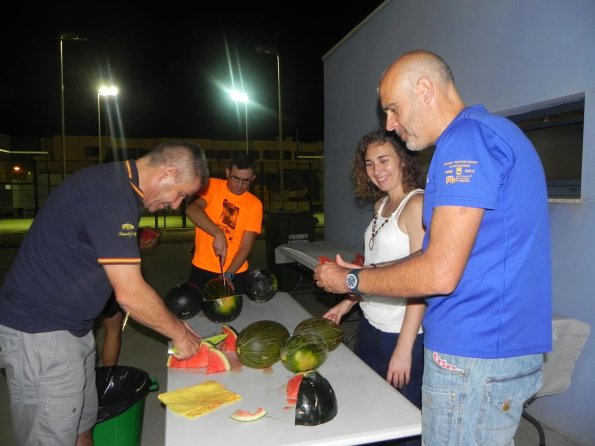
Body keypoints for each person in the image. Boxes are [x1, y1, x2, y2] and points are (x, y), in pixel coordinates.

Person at [313, 50, 552, 445]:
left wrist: (351, 278)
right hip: (491, 349)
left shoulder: (465, 140)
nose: (390, 124)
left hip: (474, 352)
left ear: (424, 89)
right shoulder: (491, 132)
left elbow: (438, 270)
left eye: (393, 109)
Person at [0, 141, 209, 446]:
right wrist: (179, 333)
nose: (177, 205)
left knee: (83, 428)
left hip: (73, 331)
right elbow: (130, 293)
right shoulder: (111, 193)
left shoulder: (116, 188)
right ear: (168, 172)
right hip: (41, 334)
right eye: (181, 194)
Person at [323, 129, 425, 416]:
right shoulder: (380, 205)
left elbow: (420, 280)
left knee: (402, 417)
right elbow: (373, 269)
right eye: (369, 163)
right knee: (370, 408)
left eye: (384, 160)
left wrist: (404, 350)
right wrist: (346, 303)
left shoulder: (416, 205)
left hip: (401, 332)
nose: (376, 171)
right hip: (370, 325)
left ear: (403, 159)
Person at [186, 152, 263, 294]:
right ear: (228, 173)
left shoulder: (255, 204)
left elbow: (246, 246)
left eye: (246, 181)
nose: (240, 185)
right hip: (202, 268)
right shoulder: (212, 186)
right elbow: (192, 210)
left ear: (253, 178)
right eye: (235, 178)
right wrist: (218, 233)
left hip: (235, 272)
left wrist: (229, 273)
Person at [96, 227, 161, 367]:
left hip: (86, 280)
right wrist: (138, 245)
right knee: (113, 329)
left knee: (82, 333)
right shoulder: (123, 213)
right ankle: (109, 375)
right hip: (112, 279)